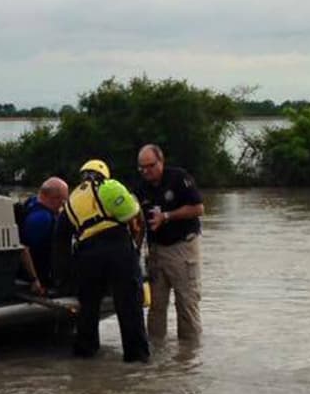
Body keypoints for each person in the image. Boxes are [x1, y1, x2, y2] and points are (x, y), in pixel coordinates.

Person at [52, 159, 150, 363]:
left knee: (88, 308)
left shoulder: (71, 200)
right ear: (104, 174)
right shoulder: (110, 187)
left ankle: (85, 354)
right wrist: (136, 251)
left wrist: (64, 280)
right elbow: (133, 215)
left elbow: (60, 242)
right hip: (118, 248)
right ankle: (136, 358)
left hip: (87, 256)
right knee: (129, 306)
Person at [135, 144, 204, 340]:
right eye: (142, 168)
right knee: (156, 307)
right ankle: (156, 358)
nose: (146, 171)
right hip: (156, 251)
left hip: (183, 247)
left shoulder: (179, 178)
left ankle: (189, 357)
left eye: (150, 166)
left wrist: (166, 216)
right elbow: (138, 222)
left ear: (161, 162)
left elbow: (199, 208)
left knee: (186, 303)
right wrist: (135, 252)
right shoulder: (140, 188)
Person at [17, 176, 69, 294]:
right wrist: (34, 280)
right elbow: (24, 248)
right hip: (39, 276)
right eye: (63, 201)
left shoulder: (32, 202)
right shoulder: (42, 219)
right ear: (54, 199)